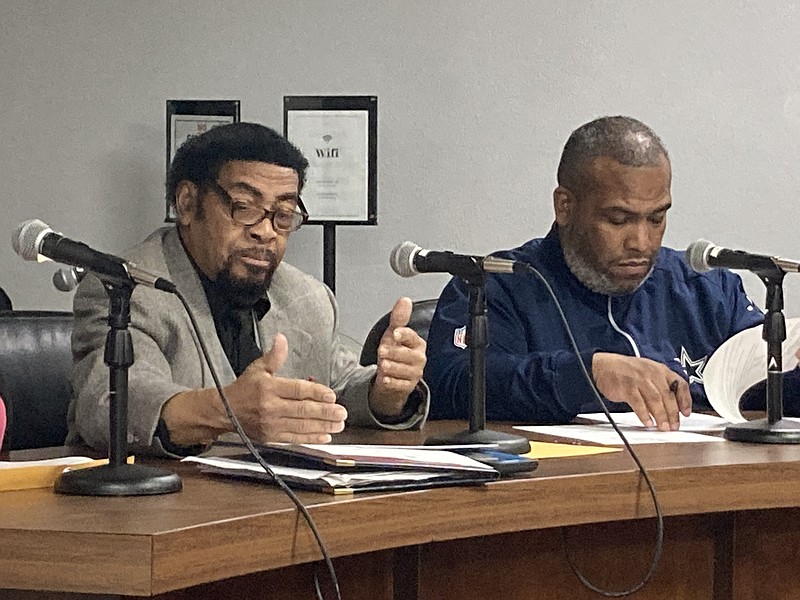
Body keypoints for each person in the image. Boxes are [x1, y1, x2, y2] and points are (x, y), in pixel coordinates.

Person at [68, 122, 428, 456]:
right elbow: (113, 403)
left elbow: (338, 386)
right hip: (154, 509)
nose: (265, 231)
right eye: (244, 207)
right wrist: (226, 412)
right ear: (187, 204)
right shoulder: (125, 288)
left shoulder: (307, 298)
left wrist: (386, 390)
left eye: (283, 215)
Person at [425, 115, 780, 431]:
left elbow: (766, 388)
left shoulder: (706, 288)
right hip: (561, 492)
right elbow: (448, 382)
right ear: (565, 206)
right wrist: (589, 373)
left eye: (656, 219)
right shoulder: (497, 285)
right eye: (618, 220)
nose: (641, 242)